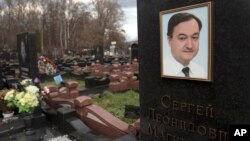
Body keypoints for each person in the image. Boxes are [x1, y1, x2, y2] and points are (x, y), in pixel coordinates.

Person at [163, 12, 207, 79]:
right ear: (169, 40)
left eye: (194, 37)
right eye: (182, 38)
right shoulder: (161, 69)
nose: (190, 46)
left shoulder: (201, 72)